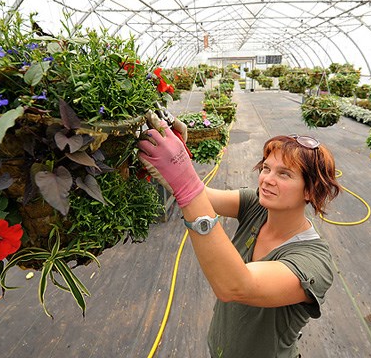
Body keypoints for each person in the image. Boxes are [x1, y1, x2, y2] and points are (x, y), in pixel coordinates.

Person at [138, 119, 341, 358]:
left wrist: (185, 184)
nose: (267, 179)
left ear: (310, 190)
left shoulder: (314, 262)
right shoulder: (256, 205)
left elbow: (236, 285)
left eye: (284, 174)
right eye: (266, 168)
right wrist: (178, 154)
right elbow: (202, 195)